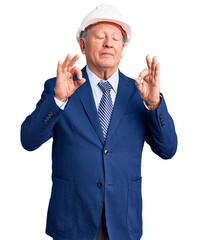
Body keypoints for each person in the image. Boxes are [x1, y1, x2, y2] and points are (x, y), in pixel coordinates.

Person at [21, 4, 177, 240]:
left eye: (116, 38)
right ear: (83, 45)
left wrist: (154, 104)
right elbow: (28, 140)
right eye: (100, 37)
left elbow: (168, 150)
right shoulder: (61, 86)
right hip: (72, 221)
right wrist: (58, 99)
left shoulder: (140, 92)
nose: (109, 43)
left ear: (122, 48)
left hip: (123, 222)